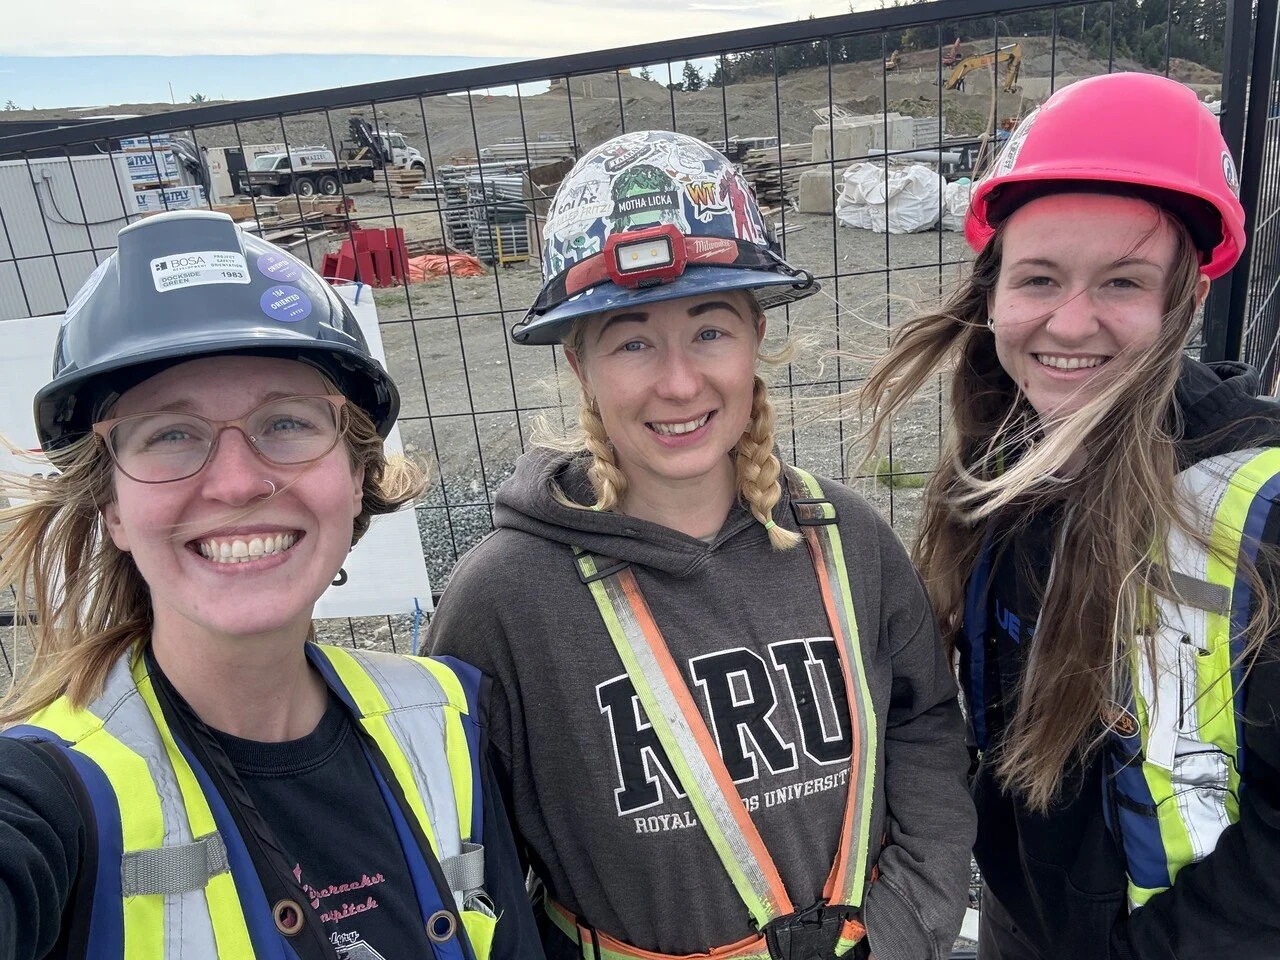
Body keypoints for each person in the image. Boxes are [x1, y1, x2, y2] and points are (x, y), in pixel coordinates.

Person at [429, 130, 975, 960]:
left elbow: (925, 727)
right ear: (580, 365)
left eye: (710, 331)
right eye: (633, 341)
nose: (679, 383)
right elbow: (468, 856)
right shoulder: (504, 601)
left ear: (757, 335)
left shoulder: (846, 541)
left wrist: (902, 930)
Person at [0, 210, 541, 960]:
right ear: (111, 507)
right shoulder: (46, 794)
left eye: (286, 422)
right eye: (170, 433)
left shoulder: (447, 720)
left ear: (356, 477)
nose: (237, 482)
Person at [859, 72, 1280, 958]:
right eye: (1039, 278)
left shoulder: (1259, 513)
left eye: (1122, 283)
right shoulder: (1005, 472)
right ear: (993, 295)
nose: (1071, 321)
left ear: (1187, 300)